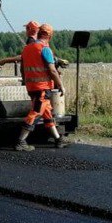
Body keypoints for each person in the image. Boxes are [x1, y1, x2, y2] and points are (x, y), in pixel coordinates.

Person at [14, 23, 67, 151]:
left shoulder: (27, 49)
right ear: (49, 35)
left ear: (39, 33)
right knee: (36, 112)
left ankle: (58, 139)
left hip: (31, 87)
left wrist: (27, 82)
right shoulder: (45, 48)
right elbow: (52, 70)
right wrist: (60, 85)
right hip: (42, 87)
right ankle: (21, 141)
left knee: (47, 111)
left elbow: (22, 69)